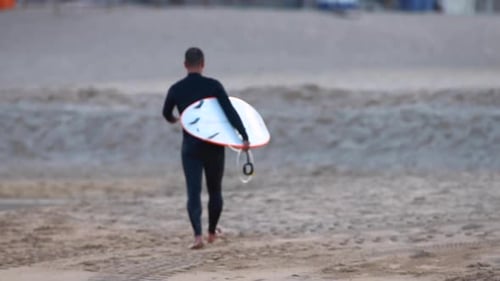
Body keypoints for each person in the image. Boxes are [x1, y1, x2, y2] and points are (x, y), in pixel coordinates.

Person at [162, 47, 250, 249]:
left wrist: (175, 118)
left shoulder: (176, 89)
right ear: (203, 64)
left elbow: (166, 113)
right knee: (215, 191)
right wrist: (244, 137)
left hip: (190, 148)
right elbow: (230, 112)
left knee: (193, 192)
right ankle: (212, 232)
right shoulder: (213, 86)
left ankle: (197, 237)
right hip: (213, 146)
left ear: (185, 65)